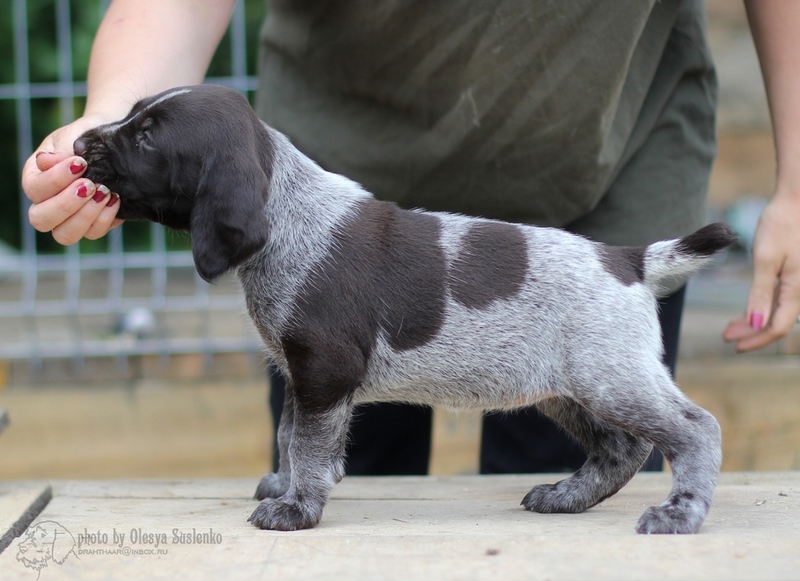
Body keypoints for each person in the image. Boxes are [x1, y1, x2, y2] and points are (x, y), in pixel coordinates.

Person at [22, 0, 800, 476]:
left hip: (602, 181)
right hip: (330, 214)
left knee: (579, 473)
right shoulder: (275, 213)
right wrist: (110, 121)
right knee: (334, 485)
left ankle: (678, 453)